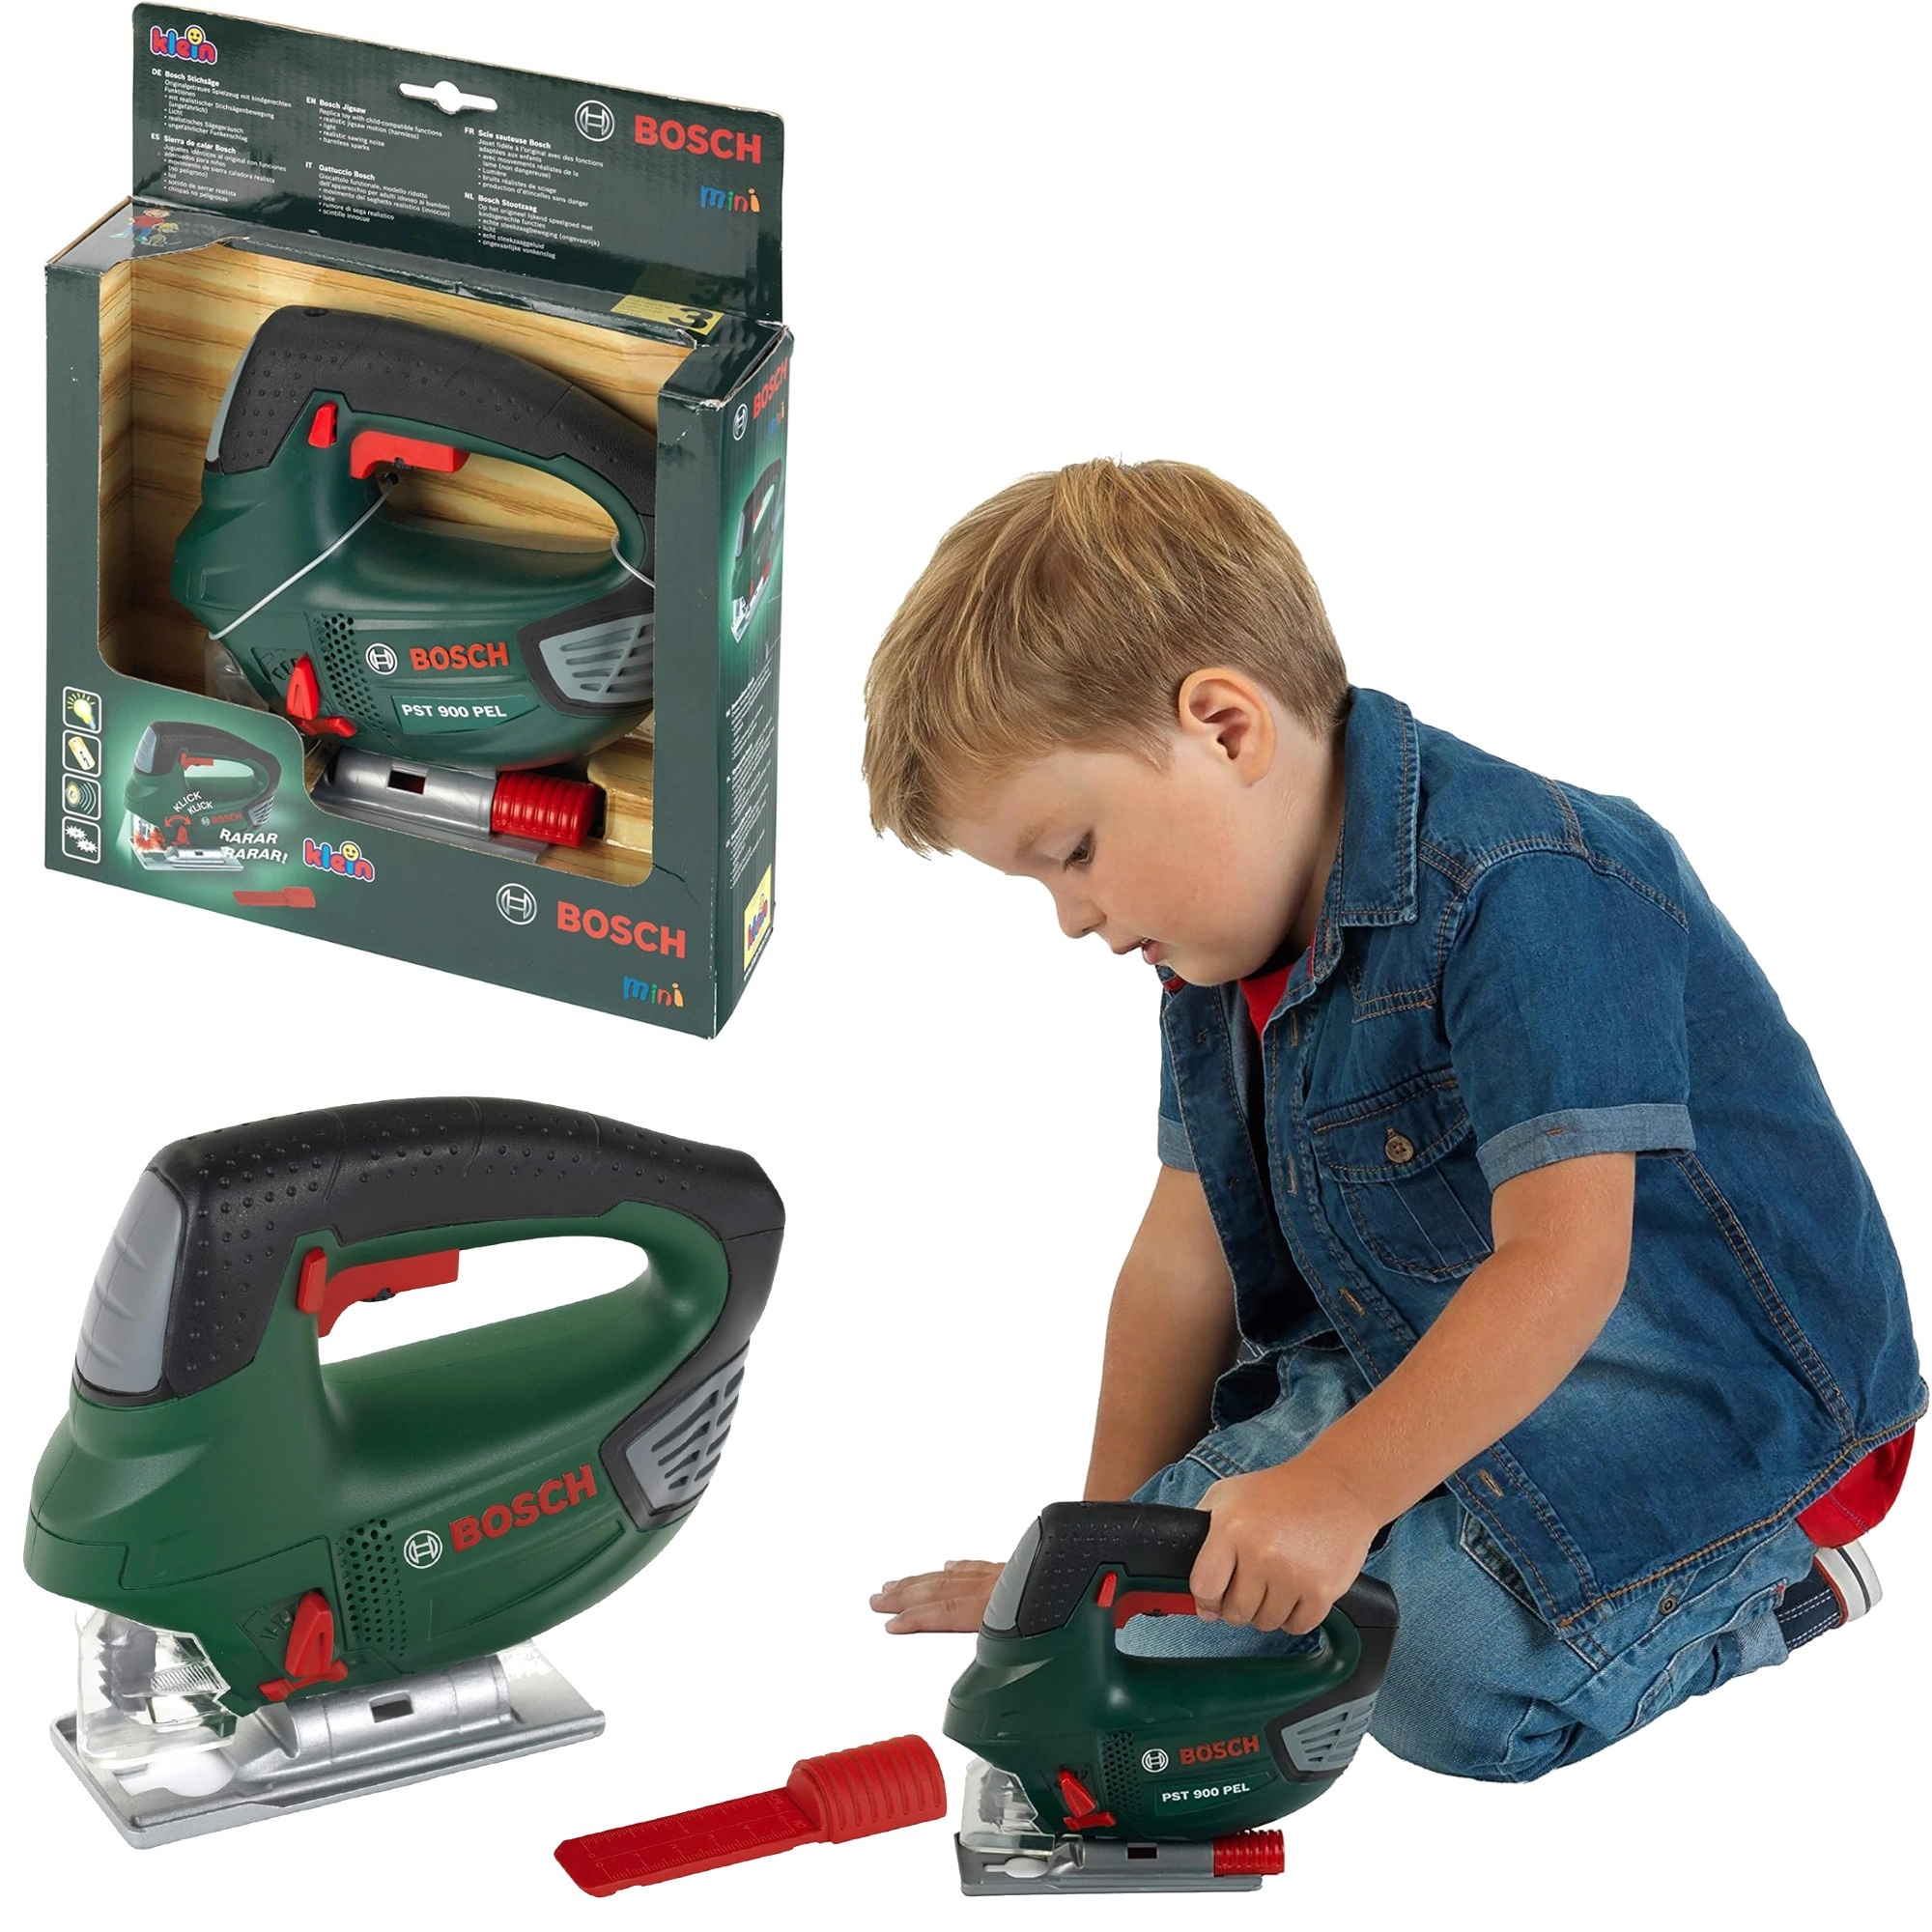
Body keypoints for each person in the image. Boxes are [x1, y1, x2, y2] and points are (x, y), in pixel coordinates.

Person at [861, 458, 1920, 1780]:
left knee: (1443, 1683)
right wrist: (1094, 1564)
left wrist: (1342, 1490)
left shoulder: (1530, 880)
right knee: (1171, 1619)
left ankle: (1776, 1594)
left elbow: (1565, 1259)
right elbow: (1183, 1257)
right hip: (1421, 1339)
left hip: (1711, 1405)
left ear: (1226, 729)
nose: (1073, 917)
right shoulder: (1212, 953)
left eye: (1073, 852)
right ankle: (1355, 1509)